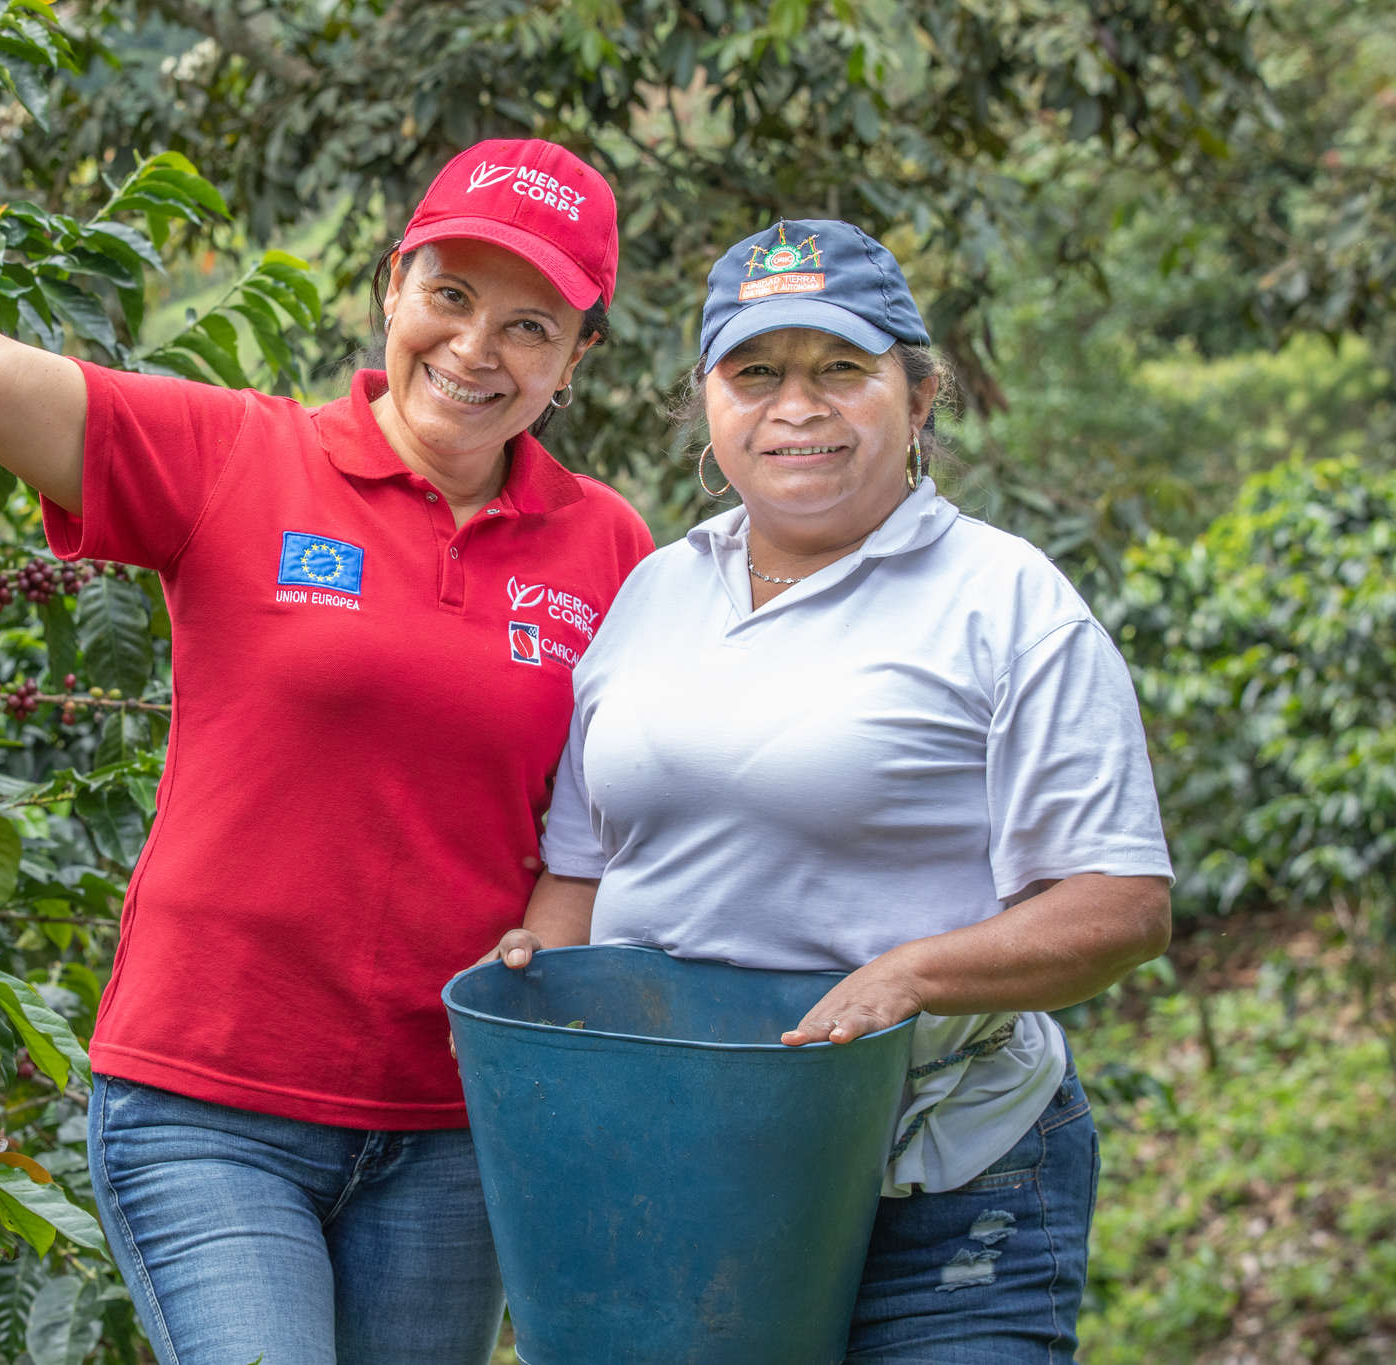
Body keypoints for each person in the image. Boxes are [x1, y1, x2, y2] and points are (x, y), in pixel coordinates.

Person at [0, 98, 653, 1364]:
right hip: (212, 1103)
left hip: (449, 1129)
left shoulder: (610, 550)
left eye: (529, 327)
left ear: (576, 361)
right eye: (448, 294)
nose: (474, 348)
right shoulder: (240, 457)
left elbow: (610, 819)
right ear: (391, 285)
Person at [487, 219, 1173, 1361]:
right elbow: (581, 870)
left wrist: (907, 977)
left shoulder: (1003, 600)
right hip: (680, 1183)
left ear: (917, 393)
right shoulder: (655, 592)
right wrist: (552, 1039)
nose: (794, 406)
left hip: (938, 1180)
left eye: (839, 370)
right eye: (754, 372)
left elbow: (1119, 905)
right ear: (706, 403)